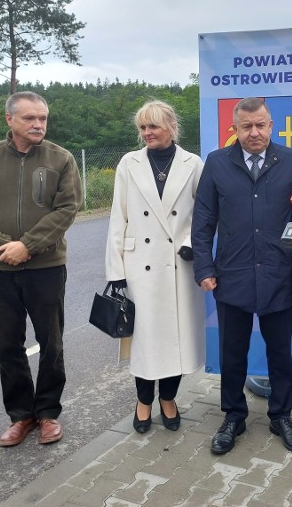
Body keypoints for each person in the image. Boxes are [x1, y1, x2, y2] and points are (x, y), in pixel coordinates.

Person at [192, 97, 292, 455]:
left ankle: (281, 416)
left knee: (280, 353)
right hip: (232, 275)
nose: (254, 132)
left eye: (261, 124)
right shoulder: (217, 163)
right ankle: (233, 416)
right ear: (236, 128)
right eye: (246, 126)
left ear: (271, 125)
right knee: (232, 354)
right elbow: (203, 221)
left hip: (279, 273)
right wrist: (203, 267)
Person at [0, 91, 82, 447]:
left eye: (42, 118)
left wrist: (27, 245)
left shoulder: (61, 159)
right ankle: (21, 416)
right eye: (30, 118)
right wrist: (3, 248)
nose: (38, 124)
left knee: (51, 342)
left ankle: (47, 414)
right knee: (8, 344)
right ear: (10, 119)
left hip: (46, 268)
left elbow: (67, 209)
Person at [105, 100, 205, 434]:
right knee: (145, 341)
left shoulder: (193, 164)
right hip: (139, 267)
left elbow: (204, 215)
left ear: (172, 127)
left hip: (178, 265)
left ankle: (169, 399)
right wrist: (115, 274)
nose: (147, 133)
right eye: (143, 128)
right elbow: (118, 218)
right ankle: (144, 401)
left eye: (154, 127)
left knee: (175, 340)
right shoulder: (128, 163)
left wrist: (191, 243)